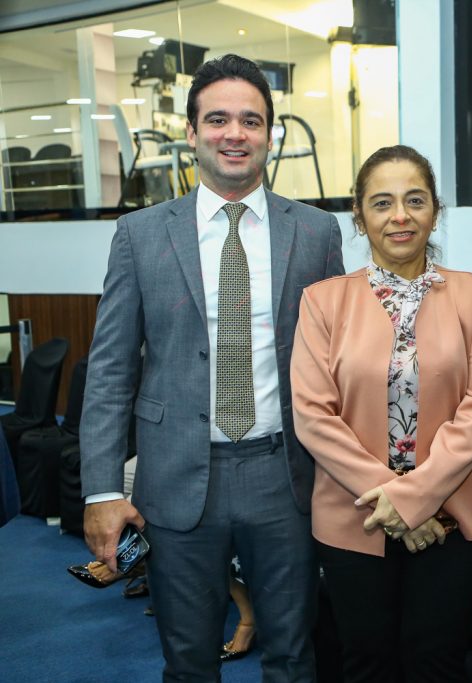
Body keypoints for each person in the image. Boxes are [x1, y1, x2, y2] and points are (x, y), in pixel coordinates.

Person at [79, 53, 344, 682]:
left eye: (251, 121)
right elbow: (111, 370)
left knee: (293, 656)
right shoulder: (140, 235)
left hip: (287, 478)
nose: (235, 133)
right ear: (192, 132)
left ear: (270, 135)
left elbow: (341, 361)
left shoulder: (315, 232)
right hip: (175, 481)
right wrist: (102, 490)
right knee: (189, 661)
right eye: (218, 119)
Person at [291, 144, 472, 682]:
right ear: (359, 217)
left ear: (435, 211)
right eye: (382, 202)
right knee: (365, 663)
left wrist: (415, 499)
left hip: (451, 520)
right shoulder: (323, 301)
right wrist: (393, 501)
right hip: (355, 517)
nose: (400, 216)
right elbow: (314, 416)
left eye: (415, 200)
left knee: (437, 662)